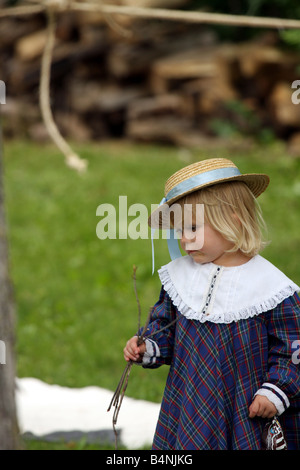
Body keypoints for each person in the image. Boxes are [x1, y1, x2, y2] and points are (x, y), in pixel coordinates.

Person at [123, 158, 300, 450]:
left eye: (192, 227)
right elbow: (164, 325)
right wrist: (147, 346)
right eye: (179, 230)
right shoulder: (180, 279)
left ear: (232, 219)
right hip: (191, 402)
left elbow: (293, 346)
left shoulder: (271, 287)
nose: (184, 239)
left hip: (245, 406)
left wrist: (276, 390)